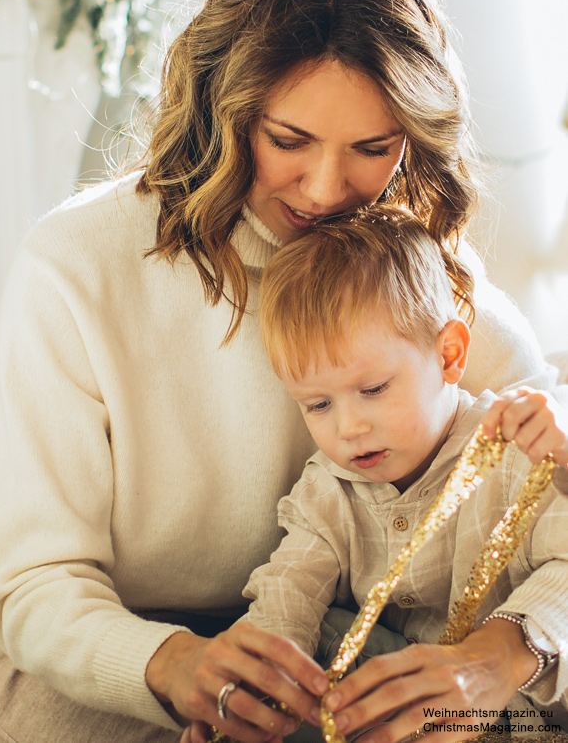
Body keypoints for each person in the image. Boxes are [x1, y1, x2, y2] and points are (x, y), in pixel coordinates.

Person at [0, 0, 568, 743]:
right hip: (82, 631)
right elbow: (36, 585)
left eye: (372, 149)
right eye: (289, 141)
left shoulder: (409, 261)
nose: (328, 189)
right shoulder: (75, 264)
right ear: (222, 114)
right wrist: (173, 664)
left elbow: (546, 435)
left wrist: (504, 654)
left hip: (308, 626)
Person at [191, 204, 568, 743]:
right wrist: (247, 691)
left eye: (372, 390)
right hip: (405, 706)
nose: (349, 428)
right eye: (317, 405)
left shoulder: (514, 449)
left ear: (449, 355)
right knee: (303, 643)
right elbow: (288, 594)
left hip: (527, 710)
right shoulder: (327, 492)